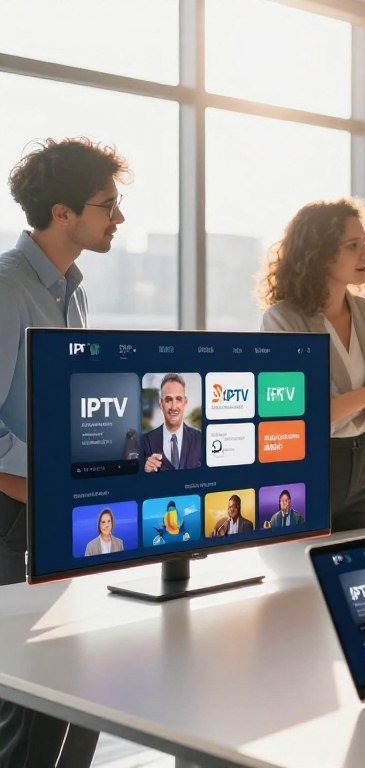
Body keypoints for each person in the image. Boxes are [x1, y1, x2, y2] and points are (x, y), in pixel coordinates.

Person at [0, 137, 128, 767]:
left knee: (83, 694)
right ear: (62, 213)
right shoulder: (6, 288)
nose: (119, 217)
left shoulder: (71, 290)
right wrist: (46, 481)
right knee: (30, 711)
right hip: (13, 517)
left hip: (62, 510)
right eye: (108, 204)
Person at [260, 198, 365, 531]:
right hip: (308, 464)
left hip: (363, 463)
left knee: (360, 569)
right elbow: (291, 420)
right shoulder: (282, 320)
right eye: (353, 245)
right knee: (303, 572)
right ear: (319, 252)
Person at [141, 373, 202, 472]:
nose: (174, 407)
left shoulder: (200, 439)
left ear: (185, 402)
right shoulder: (145, 441)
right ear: (161, 404)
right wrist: (145, 472)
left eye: (178, 399)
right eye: (168, 400)